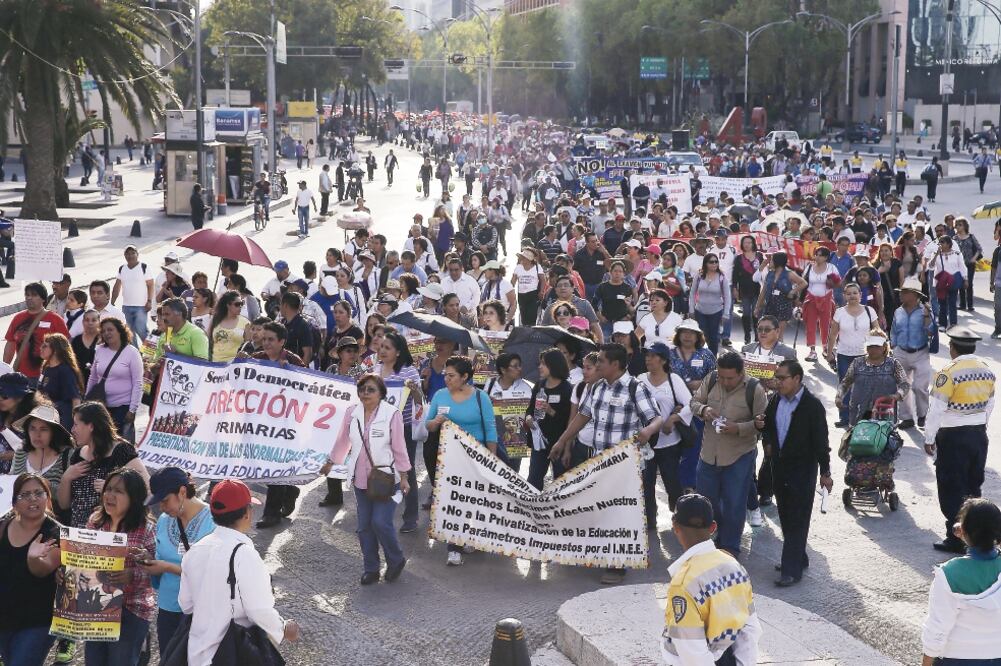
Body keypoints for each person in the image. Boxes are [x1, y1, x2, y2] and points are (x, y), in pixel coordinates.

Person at [550, 343, 663, 585]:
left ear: (615, 364)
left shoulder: (635, 388)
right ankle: (605, 553)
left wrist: (648, 431)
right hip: (600, 462)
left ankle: (618, 564)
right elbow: (583, 415)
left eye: (600, 361)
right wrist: (562, 440)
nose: (596, 364)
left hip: (627, 465)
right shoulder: (597, 387)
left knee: (621, 512)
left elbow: (656, 418)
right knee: (601, 509)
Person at [178, 479, 300, 665]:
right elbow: (258, 610)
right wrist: (284, 629)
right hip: (232, 653)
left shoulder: (194, 551)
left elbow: (186, 605)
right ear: (246, 514)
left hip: (196, 653)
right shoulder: (245, 554)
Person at [321, 374, 411, 584]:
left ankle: (395, 559)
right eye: (362, 389)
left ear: (381, 393)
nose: (365, 394)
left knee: (380, 522)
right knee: (364, 527)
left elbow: (399, 447)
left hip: (385, 479)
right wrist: (331, 462)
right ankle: (371, 568)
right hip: (360, 479)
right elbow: (343, 440)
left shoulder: (392, 414)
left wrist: (405, 477)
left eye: (370, 390)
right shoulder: (352, 413)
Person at [660, 493, 761, 666]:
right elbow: (750, 629)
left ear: (675, 526)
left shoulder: (683, 584)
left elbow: (693, 654)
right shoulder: (734, 567)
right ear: (713, 527)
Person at [759, 359, 832, 587]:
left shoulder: (812, 406)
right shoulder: (774, 401)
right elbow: (769, 427)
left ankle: (791, 570)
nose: (777, 382)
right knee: (786, 516)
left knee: (798, 518)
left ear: (797, 379)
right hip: (779, 468)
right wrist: (767, 439)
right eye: (776, 378)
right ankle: (798, 555)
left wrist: (825, 471)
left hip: (803, 470)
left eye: (782, 378)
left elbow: (821, 441)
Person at [925, 326, 996, 554]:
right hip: (977, 435)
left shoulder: (947, 372)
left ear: (952, 348)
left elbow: (936, 409)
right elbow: (991, 404)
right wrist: (980, 425)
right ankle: (975, 535)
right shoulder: (987, 369)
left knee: (951, 487)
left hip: (953, 436)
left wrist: (929, 437)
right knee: (973, 484)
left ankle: (955, 537)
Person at [690, 352, 767, 560]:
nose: (724, 382)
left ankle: (730, 546)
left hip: (739, 455)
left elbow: (763, 425)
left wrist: (739, 428)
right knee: (707, 501)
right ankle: (716, 536)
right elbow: (694, 402)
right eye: (722, 377)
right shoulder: (711, 379)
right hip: (708, 454)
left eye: (730, 378)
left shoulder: (755, 390)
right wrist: (704, 409)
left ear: (741, 373)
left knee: (735, 502)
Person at [425, 356, 498, 566]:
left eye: (451, 376)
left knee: (471, 499)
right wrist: (436, 422)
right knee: (453, 500)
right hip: (448, 457)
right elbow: (427, 425)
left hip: (475, 457)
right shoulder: (440, 395)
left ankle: (467, 533)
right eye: (445, 375)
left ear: (465, 377)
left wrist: (491, 458)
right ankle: (453, 546)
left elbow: (491, 429)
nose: (446, 379)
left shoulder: (480, 397)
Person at [140, 467, 216, 657]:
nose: (162, 508)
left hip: (200, 609)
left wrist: (166, 567)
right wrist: (149, 561)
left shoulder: (213, 521)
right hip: (168, 606)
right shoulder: (165, 521)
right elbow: (160, 556)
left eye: (165, 501)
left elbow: (213, 570)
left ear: (182, 492)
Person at [83, 467, 157, 665]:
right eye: (108, 489)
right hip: (98, 607)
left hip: (133, 609)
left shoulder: (146, 529)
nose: (110, 495)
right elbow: (82, 562)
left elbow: (156, 573)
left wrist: (133, 574)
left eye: (118, 491)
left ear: (134, 497)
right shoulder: (95, 523)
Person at [921, 498, 1001, 665]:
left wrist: (926, 663)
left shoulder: (949, 574)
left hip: (957, 658)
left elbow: (937, 630)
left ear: (962, 530)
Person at [0, 473, 62, 666]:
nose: (33, 499)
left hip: (37, 621)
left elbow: (42, 570)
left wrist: (33, 558)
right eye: (25, 495)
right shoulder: (3, 526)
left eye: (38, 493)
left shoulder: (57, 533)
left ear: (47, 498)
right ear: (15, 503)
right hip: (4, 617)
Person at [59, 401, 148, 529]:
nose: (72, 430)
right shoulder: (78, 454)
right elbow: (64, 505)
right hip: (77, 535)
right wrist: (66, 478)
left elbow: (146, 489)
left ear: (91, 426)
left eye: (76, 424)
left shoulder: (121, 451)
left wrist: (112, 489)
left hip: (109, 535)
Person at [372, 331, 423, 533]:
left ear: (398, 352)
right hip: (379, 429)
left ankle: (411, 517)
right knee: (380, 470)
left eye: (387, 348)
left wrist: (415, 390)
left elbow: (420, 402)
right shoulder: (375, 370)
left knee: (406, 473)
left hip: (403, 430)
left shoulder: (409, 372)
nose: (382, 351)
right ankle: (378, 515)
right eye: (381, 347)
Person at [639, 343, 693, 528]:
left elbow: (691, 404)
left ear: (663, 360)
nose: (648, 359)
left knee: (672, 484)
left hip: (669, 444)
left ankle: (679, 518)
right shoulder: (640, 380)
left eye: (652, 356)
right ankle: (649, 523)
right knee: (646, 485)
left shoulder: (674, 380)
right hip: (646, 443)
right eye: (646, 355)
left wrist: (674, 418)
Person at [826, 283, 879, 427]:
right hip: (844, 354)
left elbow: (878, 332)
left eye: (855, 293)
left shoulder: (870, 311)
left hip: (865, 355)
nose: (852, 296)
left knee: (864, 386)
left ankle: (862, 416)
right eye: (848, 293)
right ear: (844, 296)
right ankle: (844, 417)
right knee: (845, 386)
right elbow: (832, 335)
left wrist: (880, 352)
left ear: (860, 295)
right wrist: (829, 353)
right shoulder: (840, 312)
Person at [10, 403, 74, 513]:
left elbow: (70, 499)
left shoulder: (67, 455)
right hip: (21, 518)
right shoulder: (21, 451)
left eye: (43, 429)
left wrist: (44, 485)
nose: (37, 434)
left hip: (53, 522)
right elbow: (12, 483)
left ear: (54, 432)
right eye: (32, 429)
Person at [836, 332, 910, 426]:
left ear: (884, 347)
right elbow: (845, 382)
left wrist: (898, 395)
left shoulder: (893, 364)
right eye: (870, 346)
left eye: (877, 346)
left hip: (885, 415)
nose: (873, 349)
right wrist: (839, 397)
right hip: (858, 415)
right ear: (866, 347)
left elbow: (905, 384)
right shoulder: (857, 363)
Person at [524, 348, 572, 490]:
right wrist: (528, 418)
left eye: (543, 364)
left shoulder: (566, 389)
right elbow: (530, 408)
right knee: (533, 478)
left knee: (561, 481)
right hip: (539, 442)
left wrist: (551, 411)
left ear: (554, 365)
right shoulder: (539, 385)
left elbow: (570, 419)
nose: (540, 367)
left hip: (558, 442)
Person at [890, 277, 933, 430]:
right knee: (902, 386)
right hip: (901, 352)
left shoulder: (925, 311)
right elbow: (894, 329)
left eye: (905, 292)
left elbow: (931, 332)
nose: (901, 295)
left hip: (920, 352)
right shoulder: (898, 311)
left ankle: (922, 415)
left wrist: (927, 317)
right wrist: (893, 344)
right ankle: (907, 418)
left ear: (915, 295)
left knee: (920, 387)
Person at [4, 282, 71, 380]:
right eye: (27, 295)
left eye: (34, 295)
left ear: (43, 299)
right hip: (20, 376)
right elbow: (10, 344)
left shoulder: (55, 319)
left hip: (46, 377)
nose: (29, 298)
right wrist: (5, 369)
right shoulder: (18, 318)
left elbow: (65, 348)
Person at [37, 333, 83, 431]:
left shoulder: (65, 370)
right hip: (48, 415)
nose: (41, 348)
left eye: (45, 346)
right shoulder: (46, 368)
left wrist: (76, 423)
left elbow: (75, 399)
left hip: (63, 418)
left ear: (56, 350)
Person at [689, 254, 730, 355]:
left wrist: (726, 313)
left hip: (716, 312)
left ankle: (713, 361)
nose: (714, 264)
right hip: (700, 311)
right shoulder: (699, 276)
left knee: (713, 338)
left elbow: (727, 296)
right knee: (701, 337)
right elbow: (692, 293)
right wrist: (691, 310)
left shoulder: (722, 277)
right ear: (706, 263)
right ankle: (700, 359)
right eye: (711, 262)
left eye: (716, 262)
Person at [112, 245, 153, 344]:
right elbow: (117, 286)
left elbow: (150, 285)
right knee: (129, 332)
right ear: (124, 255)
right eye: (127, 253)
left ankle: (151, 351)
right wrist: (112, 302)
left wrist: (149, 301)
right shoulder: (122, 268)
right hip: (126, 306)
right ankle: (135, 354)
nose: (130, 256)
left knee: (141, 330)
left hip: (141, 306)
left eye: (132, 253)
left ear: (137, 254)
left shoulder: (144, 267)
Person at [207, 291, 250, 363]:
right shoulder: (215, 320)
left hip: (236, 365)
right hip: (215, 364)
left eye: (241, 304)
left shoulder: (246, 323)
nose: (240, 307)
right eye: (237, 304)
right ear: (228, 305)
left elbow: (248, 346)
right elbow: (208, 340)